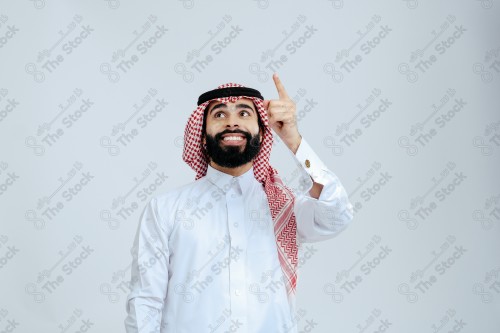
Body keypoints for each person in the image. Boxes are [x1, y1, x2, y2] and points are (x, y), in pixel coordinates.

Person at [124, 74, 354, 333]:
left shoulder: (281, 206)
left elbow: (337, 216)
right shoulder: (165, 209)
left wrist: (292, 139)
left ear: (262, 133)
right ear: (201, 136)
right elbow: (145, 301)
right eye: (219, 115)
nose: (232, 123)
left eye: (244, 114)